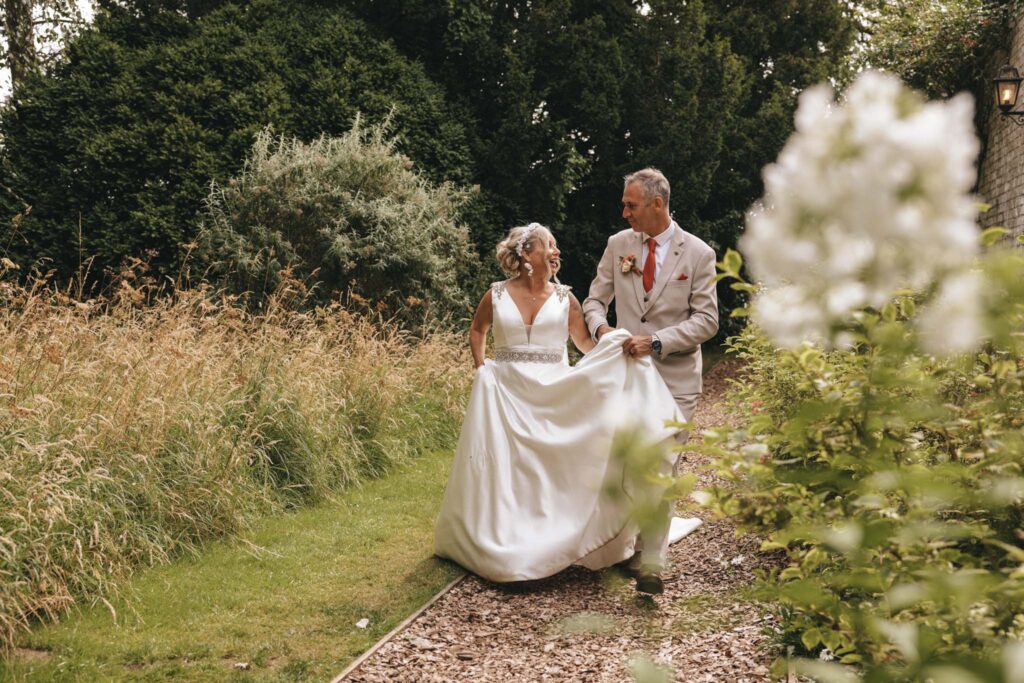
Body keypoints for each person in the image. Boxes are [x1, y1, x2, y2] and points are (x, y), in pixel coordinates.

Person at [433, 222, 681, 586]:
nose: (555, 251)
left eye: (555, 245)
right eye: (548, 245)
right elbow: (477, 330)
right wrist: (482, 367)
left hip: (554, 392)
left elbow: (584, 343)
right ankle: (510, 533)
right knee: (512, 467)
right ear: (525, 254)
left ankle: (557, 532)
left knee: (552, 466)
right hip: (508, 391)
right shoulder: (496, 294)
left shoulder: (566, 298)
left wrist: (617, 344)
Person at [583, 167, 719, 594]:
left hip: (677, 380)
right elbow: (593, 299)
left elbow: (708, 321)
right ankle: (623, 544)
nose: (623, 212)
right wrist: (603, 332)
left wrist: (657, 341)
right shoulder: (617, 246)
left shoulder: (698, 254)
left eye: (631, 205)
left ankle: (651, 564)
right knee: (626, 463)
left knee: (663, 466)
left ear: (657, 204)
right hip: (626, 378)